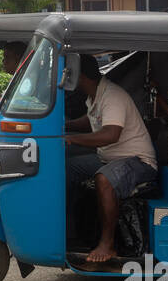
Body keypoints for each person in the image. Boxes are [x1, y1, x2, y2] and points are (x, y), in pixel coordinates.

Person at [65, 54, 159, 266]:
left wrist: (72, 138)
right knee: (66, 166)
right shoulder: (94, 96)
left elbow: (110, 134)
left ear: (82, 76)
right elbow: (91, 122)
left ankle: (107, 243)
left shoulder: (112, 96)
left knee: (104, 180)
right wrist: (64, 127)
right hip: (108, 158)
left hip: (138, 161)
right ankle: (69, 232)